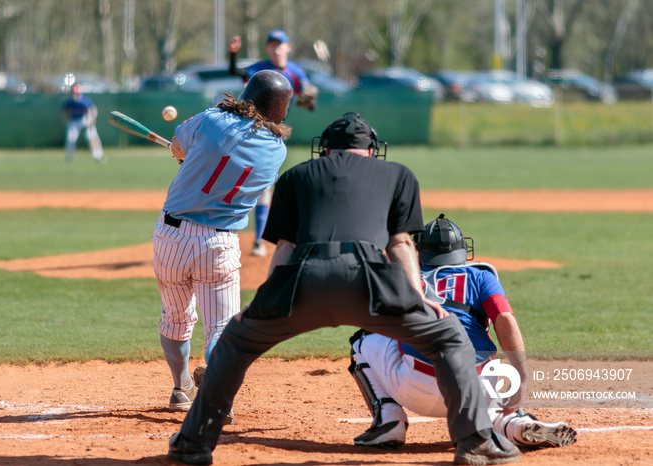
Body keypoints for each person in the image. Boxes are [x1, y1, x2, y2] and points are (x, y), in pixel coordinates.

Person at [167, 113, 520, 465]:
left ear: (326, 149)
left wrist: (261, 303)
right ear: (371, 149)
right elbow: (400, 245)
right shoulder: (398, 174)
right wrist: (421, 296)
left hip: (301, 280)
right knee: (447, 337)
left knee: (234, 343)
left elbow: (285, 249)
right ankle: (475, 443)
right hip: (369, 280)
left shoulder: (294, 176)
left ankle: (192, 444)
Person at [348, 214, 577, 449]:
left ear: (419, 251)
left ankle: (389, 421)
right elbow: (505, 318)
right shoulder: (481, 276)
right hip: (474, 386)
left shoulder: (405, 279)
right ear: (462, 250)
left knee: (362, 339)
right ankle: (515, 424)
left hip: (417, 386)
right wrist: (522, 378)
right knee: (492, 407)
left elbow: (374, 319)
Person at [153, 70, 293, 417]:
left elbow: (179, 144)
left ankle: (181, 387)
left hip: (170, 236)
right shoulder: (276, 151)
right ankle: (217, 397)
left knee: (175, 317)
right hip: (218, 243)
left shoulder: (212, 119)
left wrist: (186, 158)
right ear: (280, 110)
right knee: (221, 328)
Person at [228, 29, 319, 257]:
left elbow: (309, 101)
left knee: (264, 186)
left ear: (287, 47)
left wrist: (308, 101)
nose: (277, 48)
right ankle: (230, 229)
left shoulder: (296, 72)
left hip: (271, 133)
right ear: (268, 48)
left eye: (280, 44)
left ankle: (257, 240)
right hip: (247, 129)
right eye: (272, 44)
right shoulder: (261, 69)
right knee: (240, 179)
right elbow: (236, 72)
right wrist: (232, 54)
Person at [62, 84, 105, 163]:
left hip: (85, 120)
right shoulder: (70, 101)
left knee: (93, 136)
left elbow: (93, 109)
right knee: (71, 138)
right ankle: (69, 156)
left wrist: (93, 119)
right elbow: (65, 110)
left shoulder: (85, 100)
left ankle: (99, 155)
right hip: (74, 121)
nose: (76, 94)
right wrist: (65, 119)